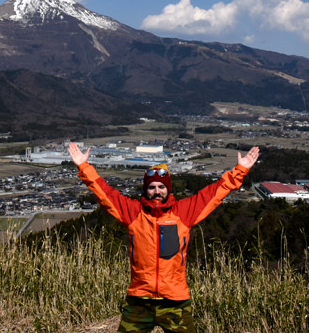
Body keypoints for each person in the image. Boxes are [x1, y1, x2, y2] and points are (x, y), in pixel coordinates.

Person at [68, 142, 260, 333]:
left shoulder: (184, 212)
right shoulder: (134, 212)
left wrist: (240, 170)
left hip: (175, 302)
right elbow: (105, 194)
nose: (157, 191)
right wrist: (84, 166)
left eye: (161, 187)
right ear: (146, 190)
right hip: (139, 301)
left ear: (168, 189)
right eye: (152, 187)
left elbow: (215, 193)